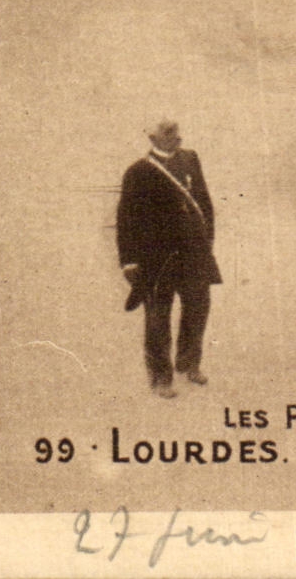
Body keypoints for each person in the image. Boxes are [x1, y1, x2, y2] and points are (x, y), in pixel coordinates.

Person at [118, 119, 220, 398]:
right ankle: (161, 377)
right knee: (158, 317)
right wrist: (129, 261)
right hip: (158, 258)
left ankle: (189, 364)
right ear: (152, 137)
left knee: (198, 309)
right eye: (168, 132)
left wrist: (207, 239)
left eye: (176, 130)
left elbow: (204, 201)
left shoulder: (190, 159)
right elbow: (126, 219)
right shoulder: (138, 172)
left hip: (194, 253)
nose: (176, 137)